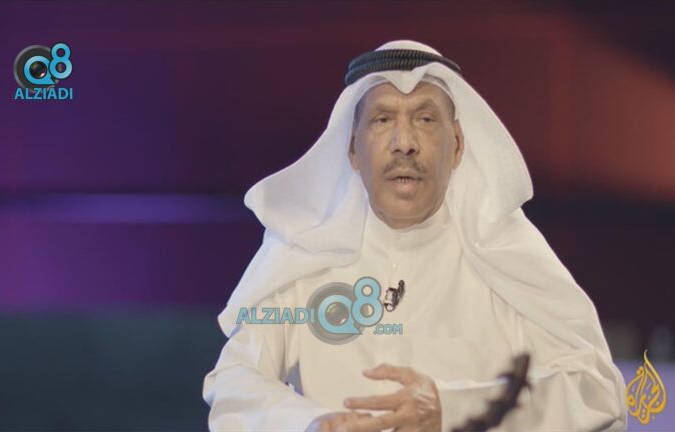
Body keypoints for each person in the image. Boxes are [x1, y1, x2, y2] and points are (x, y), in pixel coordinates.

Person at [202, 40, 627, 432]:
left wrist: (452, 407)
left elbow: (597, 390)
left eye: (425, 119)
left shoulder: (503, 252)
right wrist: (312, 424)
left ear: (457, 145)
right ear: (351, 149)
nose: (404, 143)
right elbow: (235, 379)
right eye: (382, 119)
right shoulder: (304, 252)